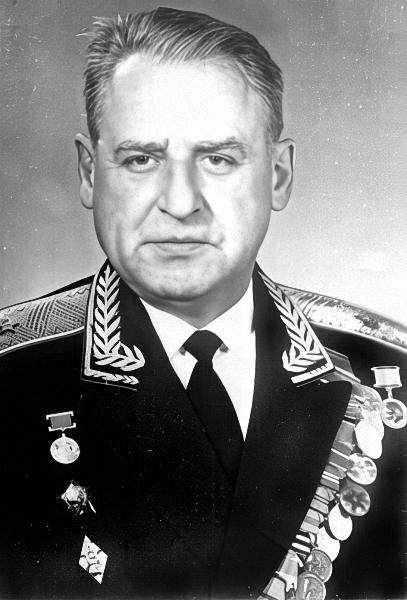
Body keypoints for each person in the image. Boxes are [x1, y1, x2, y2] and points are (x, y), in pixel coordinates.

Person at [0, 7, 406, 599]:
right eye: (141, 159)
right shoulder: (11, 377)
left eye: (217, 159)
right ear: (90, 174)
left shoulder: (385, 376)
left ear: (278, 176)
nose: (181, 201)